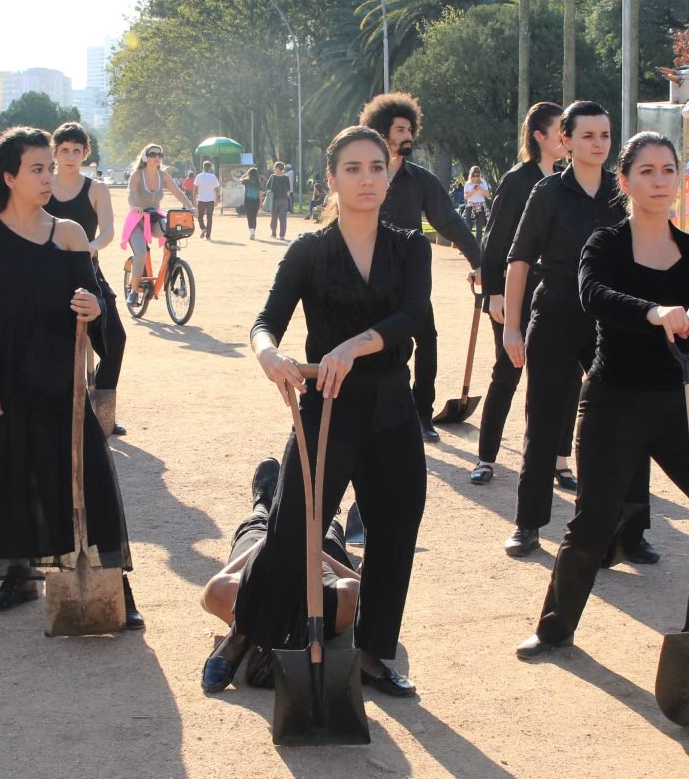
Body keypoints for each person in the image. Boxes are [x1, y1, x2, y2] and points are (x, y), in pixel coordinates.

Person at [201, 126, 429, 698]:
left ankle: (374, 655)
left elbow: (412, 318)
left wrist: (355, 346)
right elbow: (263, 322)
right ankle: (243, 634)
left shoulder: (410, 247)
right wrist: (270, 355)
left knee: (396, 531)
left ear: (389, 174)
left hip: (392, 409)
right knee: (291, 532)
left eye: (376, 167)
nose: (367, 178)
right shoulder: (308, 250)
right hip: (325, 409)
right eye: (352, 168)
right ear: (331, 179)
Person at [516, 132, 689, 661]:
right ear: (624, 182)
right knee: (594, 523)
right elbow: (594, 294)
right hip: (612, 402)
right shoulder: (604, 245)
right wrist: (655, 312)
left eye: (667, 170)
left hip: (678, 404)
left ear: (678, 179)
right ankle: (555, 629)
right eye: (645, 171)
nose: (658, 180)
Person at [0, 126, 138, 619]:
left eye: (51, 167)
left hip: (59, 380)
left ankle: (114, 591)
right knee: (10, 478)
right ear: (8, 176)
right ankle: (18, 576)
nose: (49, 176)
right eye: (37, 169)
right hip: (2, 382)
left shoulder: (68, 233)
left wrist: (93, 308)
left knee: (85, 480)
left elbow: (95, 313)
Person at [502, 101, 658, 563]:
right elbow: (520, 260)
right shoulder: (547, 193)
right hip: (553, 318)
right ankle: (528, 524)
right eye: (587, 136)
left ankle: (632, 532)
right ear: (565, 141)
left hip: (612, 323)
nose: (598, 144)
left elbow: (647, 252)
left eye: (605, 136)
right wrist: (512, 327)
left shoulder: (622, 192)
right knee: (544, 422)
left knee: (629, 422)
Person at [358, 92, 481, 443]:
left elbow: (449, 222)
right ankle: (372, 413)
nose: (408, 135)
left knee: (427, 339)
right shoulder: (364, 175)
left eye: (411, 128)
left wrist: (480, 261)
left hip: (411, 277)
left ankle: (422, 415)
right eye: (400, 129)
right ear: (382, 132)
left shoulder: (421, 180)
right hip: (367, 275)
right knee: (374, 345)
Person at [473, 102, 575, 487]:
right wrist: (494, 293)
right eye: (559, 129)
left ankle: (559, 461)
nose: (566, 137)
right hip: (514, 293)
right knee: (508, 373)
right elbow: (495, 239)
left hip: (557, 295)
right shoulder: (518, 179)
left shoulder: (568, 179)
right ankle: (486, 459)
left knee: (564, 378)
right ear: (540, 136)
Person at [201, 458, 360, 688]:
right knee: (327, 533)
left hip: (272, 562)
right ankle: (322, 510)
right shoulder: (340, 602)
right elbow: (364, 594)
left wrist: (274, 541)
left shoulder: (231, 594)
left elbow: (212, 591)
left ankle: (266, 504)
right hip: (317, 561)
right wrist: (307, 547)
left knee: (255, 529)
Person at [44, 121, 129, 439]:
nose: (69, 156)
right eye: (64, 149)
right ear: (55, 152)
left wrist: (90, 247)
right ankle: (57, 411)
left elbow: (107, 231)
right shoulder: (44, 183)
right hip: (47, 273)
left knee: (115, 338)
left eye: (76, 150)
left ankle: (103, 413)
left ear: (85, 153)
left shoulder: (96, 188)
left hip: (87, 270)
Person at [124, 143, 194, 307]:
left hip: (155, 217)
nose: (157, 157)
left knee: (170, 230)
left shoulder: (163, 176)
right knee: (140, 253)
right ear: (145, 157)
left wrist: (191, 207)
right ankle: (134, 291)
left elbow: (178, 192)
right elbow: (131, 195)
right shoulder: (137, 175)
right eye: (153, 154)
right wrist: (135, 206)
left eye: (159, 155)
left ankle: (170, 265)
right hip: (138, 221)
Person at [463, 166, 492, 245]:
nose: (475, 177)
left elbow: (488, 196)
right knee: (468, 226)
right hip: (470, 206)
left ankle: (478, 246)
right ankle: (467, 245)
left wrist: (480, 189)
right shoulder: (467, 183)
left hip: (481, 206)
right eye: (473, 175)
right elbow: (465, 197)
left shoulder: (483, 182)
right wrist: (472, 191)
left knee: (479, 228)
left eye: (477, 175)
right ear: (470, 175)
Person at [193, 160, 220, 239]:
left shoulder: (199, 176)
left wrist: (194, 198)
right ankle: (208, 235)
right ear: (210, 168)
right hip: (210, 200)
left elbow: (195, 188)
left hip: (201, 200)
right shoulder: (213, 176)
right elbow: (217, 189)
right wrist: (217, 198)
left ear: (203, 167)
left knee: (200, 216)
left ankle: (203, 228)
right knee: (209, 218)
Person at [266, 161, 292, 240]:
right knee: (283, 218)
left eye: (274, 168)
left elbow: (267, 187)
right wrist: (286, 198)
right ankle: (282, 235)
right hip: (284, 200)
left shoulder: (273, 177)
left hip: (275, 200)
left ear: (277, 168)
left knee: (274, 217)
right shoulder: (286, 177)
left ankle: (273, 233)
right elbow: (288, 190)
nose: (274, 169)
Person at [239, 167, 263, 240]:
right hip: (256, 201)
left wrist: (246, 173)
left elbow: (240, 179)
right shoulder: (259, 182)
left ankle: (252, 232)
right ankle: (253, 232)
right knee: (254, 217)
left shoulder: (246, 181)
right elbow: (261, 193)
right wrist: (260, 202)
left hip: (247, 201)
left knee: (249, 217)